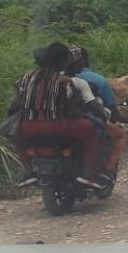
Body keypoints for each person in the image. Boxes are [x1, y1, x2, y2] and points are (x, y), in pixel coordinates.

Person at [9, 42, 103, 189]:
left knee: (18, 136)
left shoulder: (25, 78)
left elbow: (15, 105)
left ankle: (28, 171)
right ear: (60, 62)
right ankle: (88, 174)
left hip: (29, 127)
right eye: (67, 59)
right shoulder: (64, 82)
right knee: (90, 131)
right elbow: (71, 111)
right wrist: (84, 114)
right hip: (60, 126)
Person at [66, 46, 126, 183]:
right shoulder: (96, 80)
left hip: (52, 124)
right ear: (84, 61)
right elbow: (104, 108)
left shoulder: (52, 78)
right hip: (81, 122)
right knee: (118, 135)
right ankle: (104, 170)